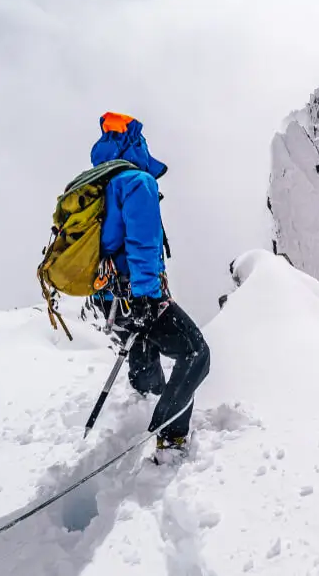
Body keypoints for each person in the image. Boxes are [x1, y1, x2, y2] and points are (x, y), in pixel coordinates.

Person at [88, 111, 210, 465]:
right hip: (135, 294)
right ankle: (169, 437)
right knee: (195, 353)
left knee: (141, 340)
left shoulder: (101, 182)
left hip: (107, 296)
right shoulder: (136, 182)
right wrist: (145, 297)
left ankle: (146, 397)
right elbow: (142, 244)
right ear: (136, 145)